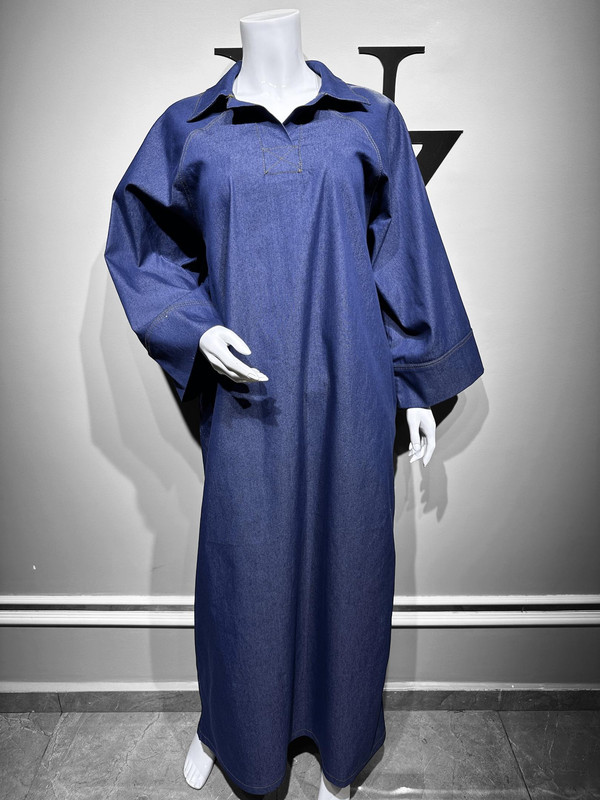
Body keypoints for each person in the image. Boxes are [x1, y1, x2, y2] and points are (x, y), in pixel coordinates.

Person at [104, 8, 484, 797]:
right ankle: (231, 731)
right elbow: (143, 246)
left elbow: (403, 250)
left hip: (355, 386)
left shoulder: (369, 121)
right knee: (244, 570)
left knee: (352, 563)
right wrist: (194, 329)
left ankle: (341, 745)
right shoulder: (191, 131)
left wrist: (416, 386)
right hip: (249, 396)